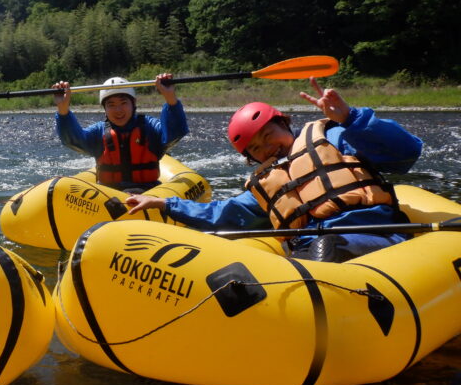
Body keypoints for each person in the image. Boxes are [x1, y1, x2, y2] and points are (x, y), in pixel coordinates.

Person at [125, 77, 423, 262]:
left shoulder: (334, 138)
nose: (267, 149)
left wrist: (350, 118)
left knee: (327, 248)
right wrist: (163, 202)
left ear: (285, 123)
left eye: (269, 136)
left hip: (374, 235)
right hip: (313, 249)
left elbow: (406, 151)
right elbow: (221, 213)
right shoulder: (266, 185)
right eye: (257, 149)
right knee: (318, 251)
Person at [52, 74, 189, 192]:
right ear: (104, 108)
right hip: (109, 196)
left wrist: (170, 98)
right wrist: (63, 109)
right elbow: (73, 140)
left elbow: (174, 133)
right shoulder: (99, 132)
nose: (118, 110)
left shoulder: (149, 127)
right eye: (111, 104)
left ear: (133, 103)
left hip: (148, 192)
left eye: (123, 103)